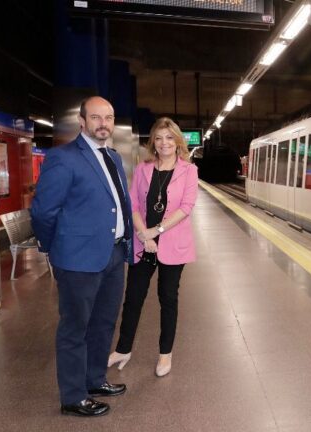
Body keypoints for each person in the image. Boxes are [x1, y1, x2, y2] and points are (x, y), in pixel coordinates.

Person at [31, 96, 132, 417]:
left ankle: (94, 379)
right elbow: (44, 212)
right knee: (75, 327)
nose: (104, 123)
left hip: (114, 254)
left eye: (109, 117)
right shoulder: (63, 158)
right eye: (97, 117)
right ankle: (73, 396)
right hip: (77, 260)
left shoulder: (113, 158)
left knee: (103, 323)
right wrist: (53, 248)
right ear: (83, 121)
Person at [107, 117, 198, 377]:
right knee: (133, 297)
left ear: (178, 141)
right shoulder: (144, 169)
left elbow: (186, 207)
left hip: (172, 244)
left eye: (169, 137)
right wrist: (143, 235)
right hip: (143, 243)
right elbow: (133, 203)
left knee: (167, 298)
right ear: (153, 143)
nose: (164, 143)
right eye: (159, 138)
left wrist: (155, 232)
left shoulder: (189, 170)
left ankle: (165, 355)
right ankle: (123, 349)